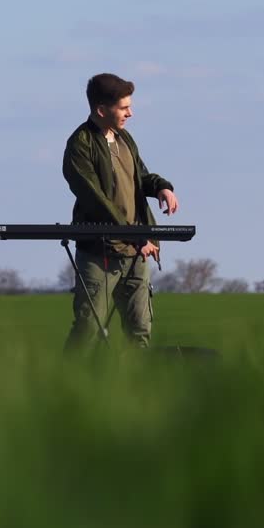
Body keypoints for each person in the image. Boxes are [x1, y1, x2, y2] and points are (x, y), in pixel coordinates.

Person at [62, 73, 179, 349]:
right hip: (99, 253)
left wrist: (162, 187)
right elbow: (95, 200)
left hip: (137, 253)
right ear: (102, 110)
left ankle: (133, 388)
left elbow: (141, 176)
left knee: (140, 331)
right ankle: (64, 384)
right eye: (124, 108)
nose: (131, 113)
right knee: (88, 326)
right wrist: (135, 236)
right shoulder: (80, 145)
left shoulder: (125, 138)